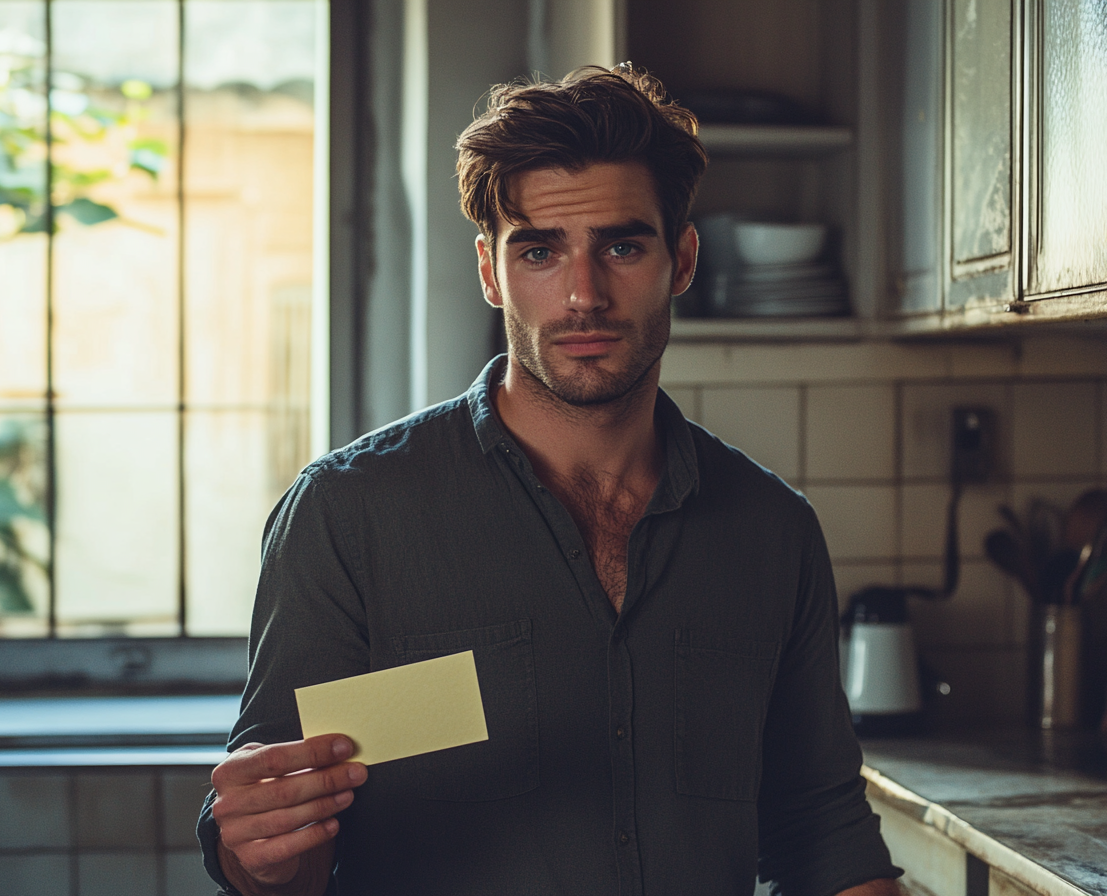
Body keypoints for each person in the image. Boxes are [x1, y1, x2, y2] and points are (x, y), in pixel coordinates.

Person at [198, 65, 904, 896]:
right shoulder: (347, 516)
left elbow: (820, 830)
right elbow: (285, 843)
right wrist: (258, 844)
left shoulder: (773, 530)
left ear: (680, 259)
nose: (583, 294)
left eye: (621, 245)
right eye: (539, 250)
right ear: (492, 273)